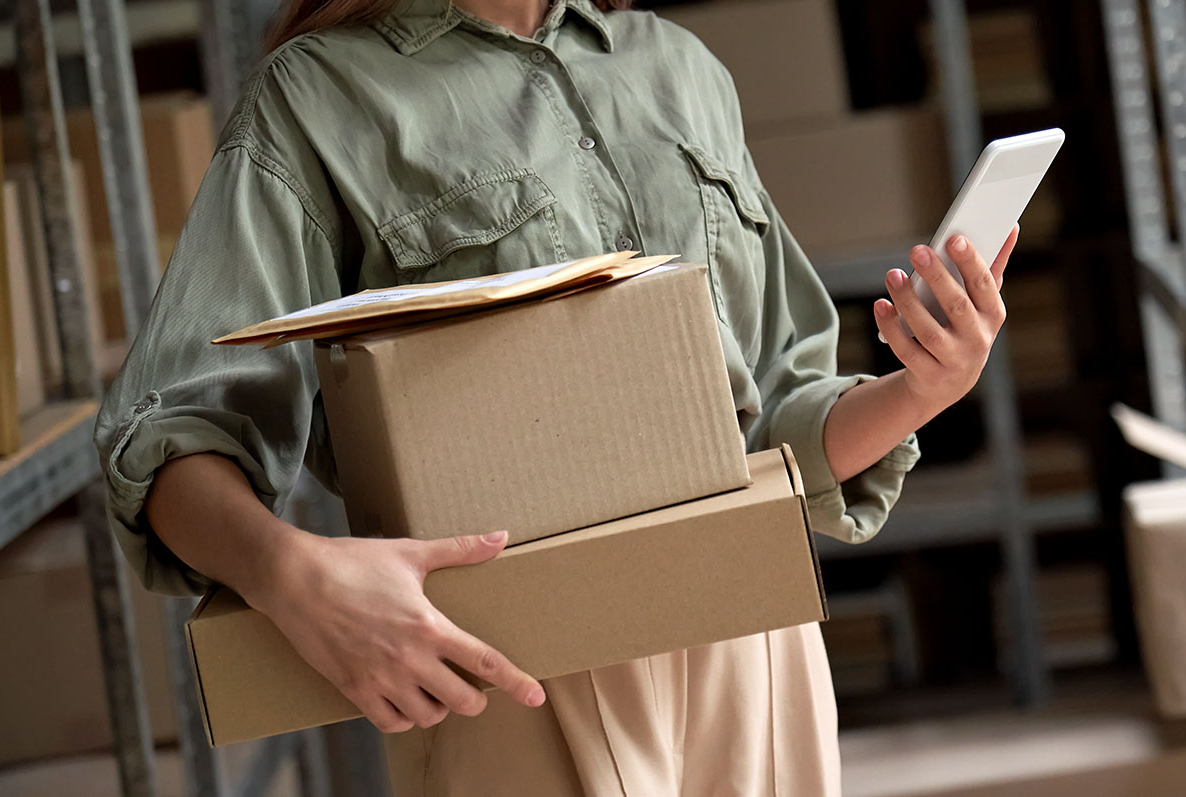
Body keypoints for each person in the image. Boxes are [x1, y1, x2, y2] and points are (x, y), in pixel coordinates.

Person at [94, 0, 1017, 792]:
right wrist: (291, 573)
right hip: (514, 669)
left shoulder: (678, 68)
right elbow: (170, 430)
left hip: (756, 639)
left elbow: (780, 428)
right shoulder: (317, 98)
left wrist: (925, 386)